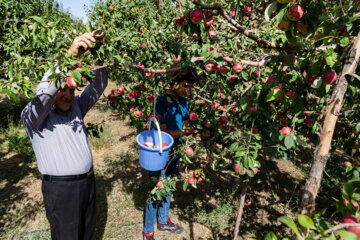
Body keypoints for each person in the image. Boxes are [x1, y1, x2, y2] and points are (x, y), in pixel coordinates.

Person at [21, 32, 107, 240]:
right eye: (62, 90)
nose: (68, 95)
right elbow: (43, 95)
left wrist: (97, 52)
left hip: (87, 184)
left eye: (72, 90)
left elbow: (99, 85)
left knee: (87, 234)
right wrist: (69, 55)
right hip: (61, 191)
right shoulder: (33, 116)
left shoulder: (76, 106)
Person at [143, 67, 198, 240]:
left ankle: (163, 220)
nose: (187, 90)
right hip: (160, 152)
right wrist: (183, 133)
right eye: (184, 85)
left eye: (189, 87)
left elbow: (187, 122)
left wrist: (193, 129)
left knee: (170, 183)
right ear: (174, 83)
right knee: (156, 188)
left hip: (176, 150)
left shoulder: (183, 102)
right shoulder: (161, 102)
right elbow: (163, 134)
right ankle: (148, 231)